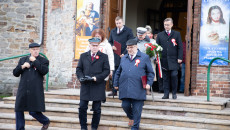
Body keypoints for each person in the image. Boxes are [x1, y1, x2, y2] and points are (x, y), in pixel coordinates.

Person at [113, 39, 154, 130]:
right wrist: (115, 83)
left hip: (138, 88)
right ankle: (131, 117)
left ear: (136, 47)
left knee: (137, 110)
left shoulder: (144, 57)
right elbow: (118, 72)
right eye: (128, 48)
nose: (129, 50)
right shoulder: (124, 58)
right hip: (125, 87)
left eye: (131, 47)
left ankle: (135, 127)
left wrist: (148, 83)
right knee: (125, 106)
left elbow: (150, 73)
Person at [13, 43, 50, 130]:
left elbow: (44, 71)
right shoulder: (23, 60)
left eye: (37, 49)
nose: (36, 51)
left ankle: (45, 121)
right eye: (33, 49)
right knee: (19, 109)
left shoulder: (43, 60)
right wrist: (22, 66)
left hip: (35, 90)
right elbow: (15, 73)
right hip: (23, 89)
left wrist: (35, 61)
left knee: (33, 111)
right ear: (30, 50)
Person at [76, 37, 110, 130]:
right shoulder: (83, 56)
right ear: (89, 46)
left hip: (98, 85)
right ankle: (83, 127)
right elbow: (79, 69)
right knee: (82, 107)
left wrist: (97, 78)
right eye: (93, 45)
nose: (95, 47)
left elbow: (106, 71)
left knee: (97, 109)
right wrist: (81, 77)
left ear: (99, 46)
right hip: (86, 85)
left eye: (97, 45)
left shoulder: (104, 56)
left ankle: (94, 127)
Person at [156, 18, 183, 99]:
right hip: (164, 60)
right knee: (165, 78)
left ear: (172, 25)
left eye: (168, 25)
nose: (166, 26)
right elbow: (157, 47)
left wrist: (180, 57)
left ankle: (174, 93)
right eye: (165, 25)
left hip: (174, 60)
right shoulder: (160, 35)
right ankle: (166, 94)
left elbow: (180, 47)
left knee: (174, 76)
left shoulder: (176, 34)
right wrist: (157, 59)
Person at [108, 16, 134, 96]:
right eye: (116, 23)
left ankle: (124, 91)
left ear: (122, 23)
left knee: (124, 73)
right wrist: (112, 46)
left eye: (119, 23)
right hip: (116, 55)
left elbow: (131, 42)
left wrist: (125, 53)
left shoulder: (128, 31)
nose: (118, 25)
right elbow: (110, 41)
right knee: (115, 73)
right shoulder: (113, 31)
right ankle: (114, 91)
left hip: (125, 55)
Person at [135, 27, 156, 94]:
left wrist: (151, 55)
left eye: (141, 35)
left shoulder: (151, 41)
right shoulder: (134, 42)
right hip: (138, 62)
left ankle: (147, 88)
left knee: (150, 72)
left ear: (145, 34)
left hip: (148, 62)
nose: (140, 37)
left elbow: (155, 54)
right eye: (139, 35)